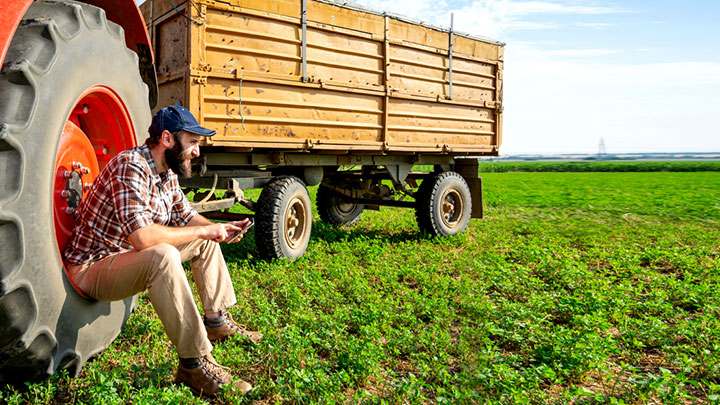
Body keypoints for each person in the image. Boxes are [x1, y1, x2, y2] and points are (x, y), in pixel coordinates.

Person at [64, 105, 260, 398]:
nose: (196, 151)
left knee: (204, 239)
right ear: (167, 139)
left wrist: (218, 229)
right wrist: (204, 230)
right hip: (92, 268)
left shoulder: (166, 172)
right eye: (192, 142)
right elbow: (143, 239)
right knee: (163, 255)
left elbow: (187, 217)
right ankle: (194, 365)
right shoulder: (130, 166)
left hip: (124, 256)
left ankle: (217, 322)